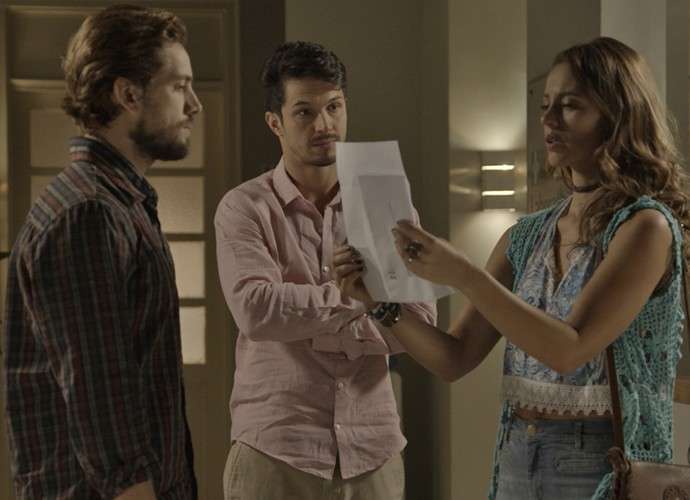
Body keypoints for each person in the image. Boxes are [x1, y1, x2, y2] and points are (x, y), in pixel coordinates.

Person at [335, 36, 688, 500]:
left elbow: (568, 350)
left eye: (570, 106)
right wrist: (378, 303)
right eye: (545, 105)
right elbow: (453, 359)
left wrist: (465, 275)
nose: (548, 119)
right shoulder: (526, 236)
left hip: (603, 462)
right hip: (518, 452)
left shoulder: (644, 228)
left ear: (618, 116)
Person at [214, 40, 436, 500]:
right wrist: (355, 298)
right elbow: (257, 311)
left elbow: (418, 324)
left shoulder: (386, 202)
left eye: (334, 107)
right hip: (276, 451)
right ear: (275, 122)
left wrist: (308, 318)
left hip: (373, 452)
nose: (324, 125)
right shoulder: (245, 207)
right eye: (305, 112)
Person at [3, 5, 202, 499]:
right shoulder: (88, 214)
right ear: (128, 94)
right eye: (179, 86)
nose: (194, 105)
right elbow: (100, 395)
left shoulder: (120, 203)